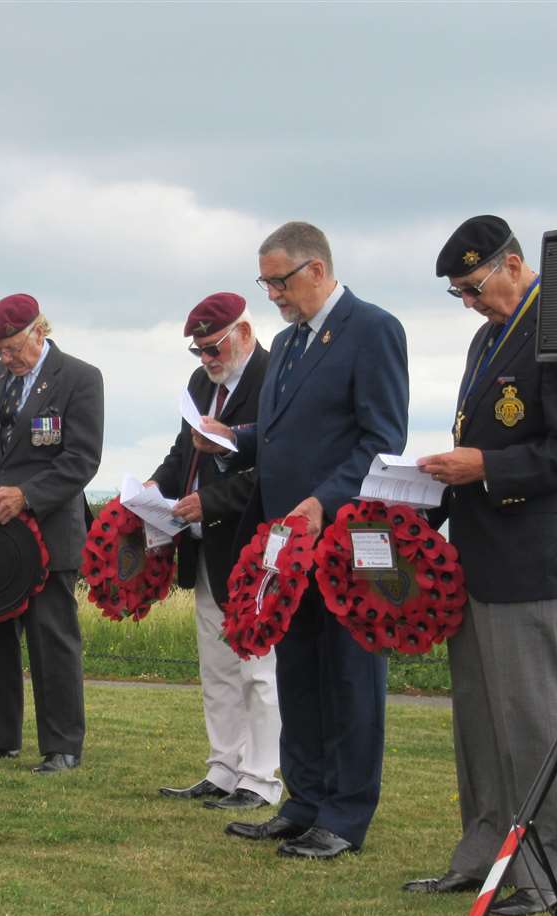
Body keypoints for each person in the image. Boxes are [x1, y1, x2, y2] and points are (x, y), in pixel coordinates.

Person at [407, 215, 557, 916]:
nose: (467, 301)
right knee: (481, 725)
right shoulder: (488, 337)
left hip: (529, 561)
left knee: (530, 722)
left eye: (472, 286)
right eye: (458, 292)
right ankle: (485, 854)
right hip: (476, 558)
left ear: (513, 264)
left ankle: (546, 872)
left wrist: (485, 467)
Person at [199, 221, 408, 859]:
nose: (273, 296)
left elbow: (381, 437)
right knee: (299, 673)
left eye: (279, 281)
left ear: (316, 270)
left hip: (344, 537)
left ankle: (344, 817)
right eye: (265, 283)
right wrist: (236, 441)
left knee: (348, 676)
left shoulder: (372, 329)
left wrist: (326, 500)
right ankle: (305, 802)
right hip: (287, 543)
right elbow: (286, 432)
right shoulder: (289, 344)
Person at [0, 293, 103, 773]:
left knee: (52, 639)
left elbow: (81, 460)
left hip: (49, 533)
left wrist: (26, 495)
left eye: (12, 347)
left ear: (39, 331)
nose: (6, 358)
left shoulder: (80, 378)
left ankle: (61, 746)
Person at [150, 292, 282, 810]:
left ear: (244, 334)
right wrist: (153, 490)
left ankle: (261, 777)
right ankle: (224, 767)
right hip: (206, 549)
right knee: (218, 667)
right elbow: (183, 452)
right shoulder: (202, 384)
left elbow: (273, 470)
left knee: (259, 667)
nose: (206, 359)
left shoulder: (274, 379)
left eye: (213, 347)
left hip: (254, 545)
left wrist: (210, 500)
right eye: (198, 351)